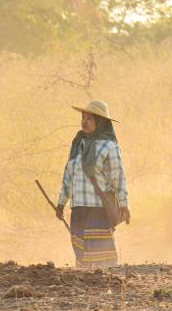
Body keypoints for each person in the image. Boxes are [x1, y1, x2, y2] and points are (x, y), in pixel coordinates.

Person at [56, 100, 129, 267]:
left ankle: (106, 283)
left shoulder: (109, 146)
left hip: (98, 208)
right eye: (83, 117)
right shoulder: (78, 143)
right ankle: (86, 285)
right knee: (80, 251)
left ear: (100, 122)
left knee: (99, 251)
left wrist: (124, 205)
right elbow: (68, 174)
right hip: (78, 208)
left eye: (89, 118)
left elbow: (118, 178)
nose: (84, 121)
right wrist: (61, 203)